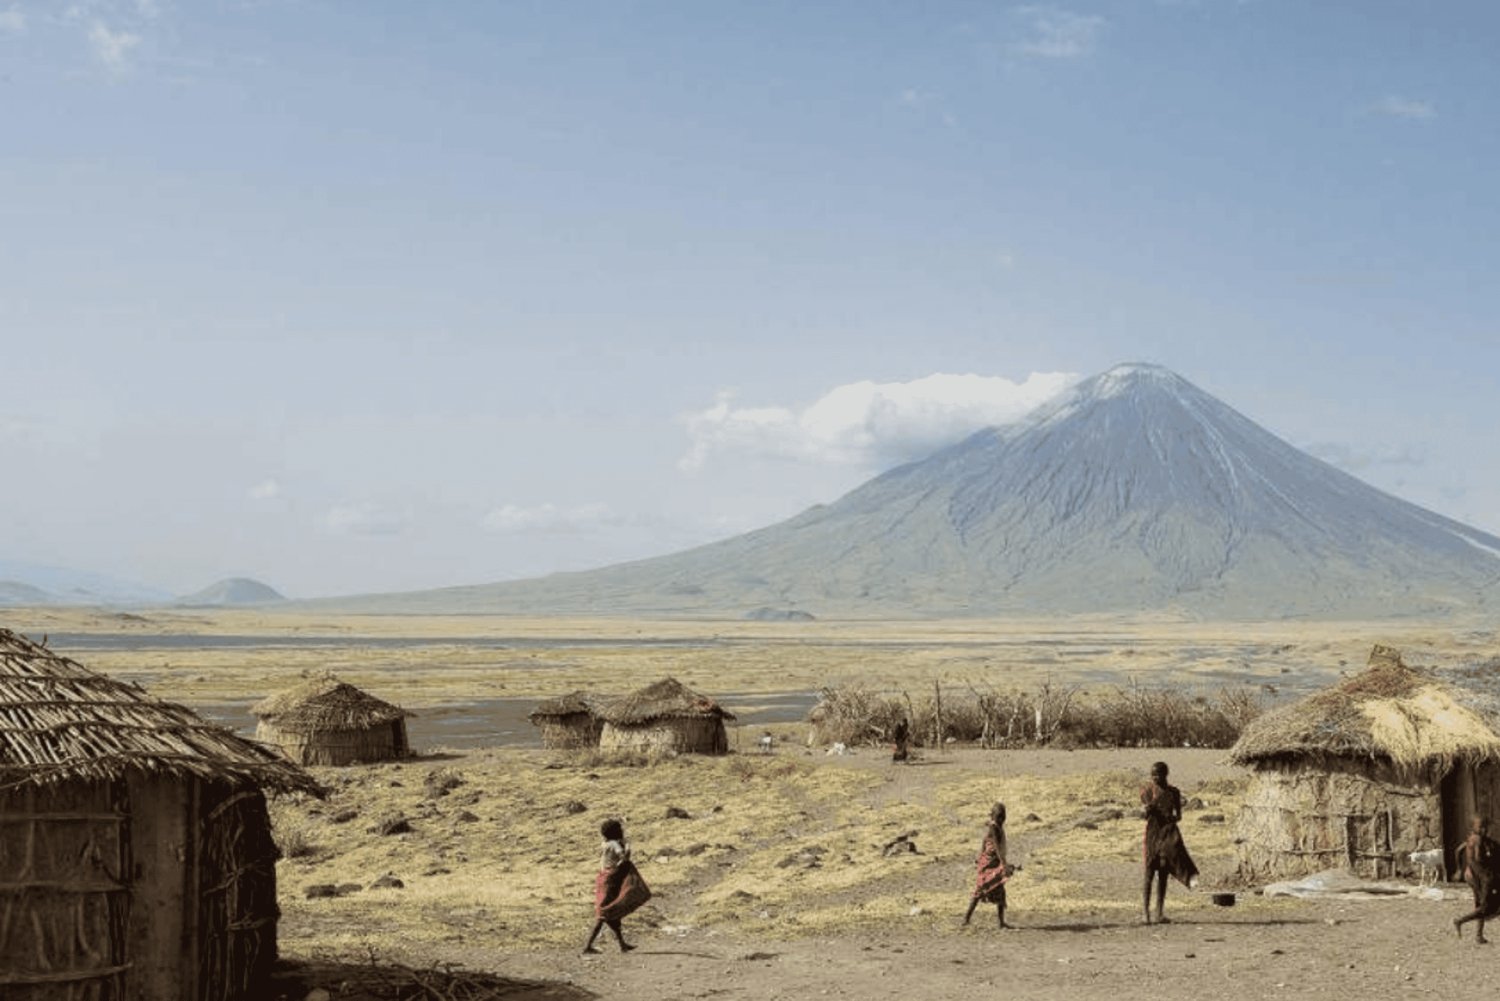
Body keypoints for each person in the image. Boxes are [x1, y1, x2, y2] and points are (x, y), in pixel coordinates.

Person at [1141, 760, 1197, 925]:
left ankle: (1159, 912)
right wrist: (1149, 809)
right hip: (1152, 834)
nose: (1154, 778)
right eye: (1152, 775)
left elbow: (1179, 816)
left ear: (1165, 775)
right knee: (1149, 872)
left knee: (1164, 873)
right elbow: (1144, 815)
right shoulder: (1147, 791)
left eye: (1157, 775)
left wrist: (1170, 818)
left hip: (1167, 833)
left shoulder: (1173, 793)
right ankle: (1145, 914)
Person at [584, 818, 648, 954]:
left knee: (609, 914)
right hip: (611, 879)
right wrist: (628, 846)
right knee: (605, 913)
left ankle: (622, 944)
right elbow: (624, 857)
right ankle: (587, 946)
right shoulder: (614, 844)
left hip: (603, 877)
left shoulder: (605, 843)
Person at [963, 802, 1013, 929]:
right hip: (989, 864)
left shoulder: (997, 827)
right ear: (994, 816)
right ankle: (966, 918)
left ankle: (1001, 922)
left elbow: (985, 843)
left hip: (993, 862)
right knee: (980, 890)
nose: (1001, 819)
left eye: (1003, 816)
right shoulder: (994, 827)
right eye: (999, 816)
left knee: (1000, 891)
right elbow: (995, 845)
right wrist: (1003, 864)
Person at [1454, 815, 1500, 943]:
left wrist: (1459, 869)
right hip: (1479, 877)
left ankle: (1479, 935)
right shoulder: (1478, 840)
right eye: (1481, 827)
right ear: (1474, 827)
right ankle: (1460, 921)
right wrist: (1488, 859)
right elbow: (1479, 859)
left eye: (1485, 827)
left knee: (1480, 904)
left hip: (1470, 875)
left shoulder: (1472, 839)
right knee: (1486, 907)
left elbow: (1458, 851)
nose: (1484, 830)